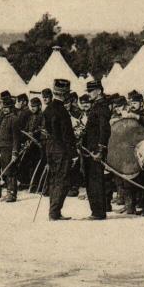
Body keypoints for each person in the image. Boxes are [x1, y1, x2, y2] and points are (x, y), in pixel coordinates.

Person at [42, 79, 75, 220]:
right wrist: (73, 154)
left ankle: (52, 210)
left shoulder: (48, 109)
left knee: (53, 179)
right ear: (65, 94)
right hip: (61, 150)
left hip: (50, 148)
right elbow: (67, 135)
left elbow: (46, 131)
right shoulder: (62, 111)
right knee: (62, 180)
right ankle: (55, 212)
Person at [82, 80, 111, 220]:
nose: (88, 94)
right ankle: (96, 210)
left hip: (95, 151)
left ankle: (99, 212)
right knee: (91, 180)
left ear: (99, 91)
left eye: (91, 91)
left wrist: (101, 150)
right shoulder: (96, 106)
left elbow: (104, 130)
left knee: (96, 181)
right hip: (90, 150)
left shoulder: (102, 107)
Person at [0, 92, 22, 202]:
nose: (5, 109)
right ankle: (8, 192)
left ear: (11, 108)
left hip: (10, 148)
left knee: (11, 172)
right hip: (3, 148)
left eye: (7, 108)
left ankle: (12, 193)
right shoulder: (4, 118)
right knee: (6, 171)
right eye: (4, 107)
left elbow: (16, 138)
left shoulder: (14, 119)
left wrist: (15, 152)